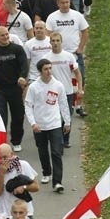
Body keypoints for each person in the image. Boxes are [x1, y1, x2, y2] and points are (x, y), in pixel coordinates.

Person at [25, 59, 70, 193]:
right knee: (42, 150)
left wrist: (67, 121)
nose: (49, 71)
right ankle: (46, 172)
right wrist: (33, 123)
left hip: (55, 123)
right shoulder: (34, 87)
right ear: (40, 71)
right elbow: (28, 105)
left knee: (56, 152)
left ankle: (57, 182)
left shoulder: (58, 85)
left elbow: (63, 103)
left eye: (50, 68)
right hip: (39, 125)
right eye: (46, 69)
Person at [0, 27, 28, 152]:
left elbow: (24, 65)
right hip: (0, 89)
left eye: (6, 34)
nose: (5, 37)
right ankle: (2, 142)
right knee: (1, 117)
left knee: (18, 116)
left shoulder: (17, 49)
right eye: (2, 35)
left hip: (15, 88)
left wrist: (22, 77)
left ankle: (16, 141)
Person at [0, 143, 39, 218]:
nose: (2, 161)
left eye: (5, 157)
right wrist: (1, 174)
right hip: (5, 214)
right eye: (0, 158)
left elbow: (36, 187)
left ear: (12, 154)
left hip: (24, 213)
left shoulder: (24, 165)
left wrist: (24, 187)